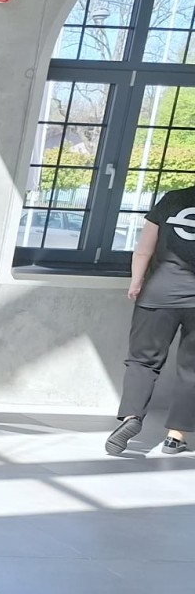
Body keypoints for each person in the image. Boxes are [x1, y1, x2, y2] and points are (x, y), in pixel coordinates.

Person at [106, 184, 195, 456]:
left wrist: (136, 281)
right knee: (191, 369)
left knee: (142, 361)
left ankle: (132, 417)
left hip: (158, 293)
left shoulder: (172, 199)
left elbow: (144, 249)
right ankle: (175, 437)